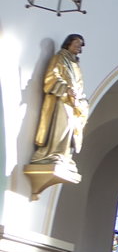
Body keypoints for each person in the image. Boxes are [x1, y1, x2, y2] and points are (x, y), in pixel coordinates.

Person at [30, 34, 88, 170]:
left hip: (73, 102)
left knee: (70, 128)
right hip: (61, 99)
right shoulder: (60, 57)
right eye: (76, 43)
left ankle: (63, 155)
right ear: (68, 43)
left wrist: (80, 98)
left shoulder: (75, 64)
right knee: (62, 126)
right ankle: (52, 153)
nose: (79, 47)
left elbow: (79, 84)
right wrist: (67, 89)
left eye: (80, 45)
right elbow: (52, 76)